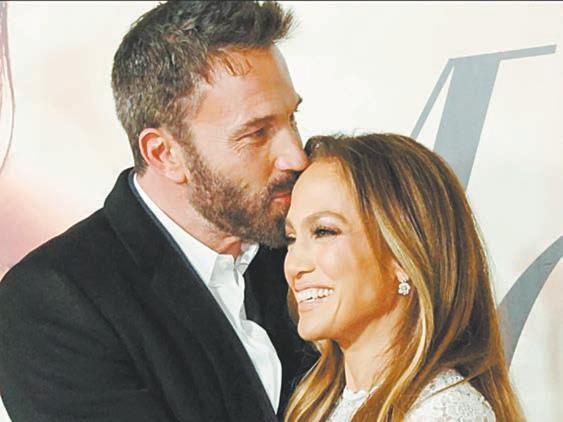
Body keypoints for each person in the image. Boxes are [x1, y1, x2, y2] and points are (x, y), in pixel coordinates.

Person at [0, 2, 314, 421]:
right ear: (164, 154)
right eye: (256, 133)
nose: (296, 156)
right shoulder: (50, 301)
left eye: (293, 118)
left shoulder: (307, 247)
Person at [283, 134, 524, 421]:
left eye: (324, 232)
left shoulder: (442, 412)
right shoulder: (316, 406)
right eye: (291, 238)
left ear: (404, 255)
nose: (294, 264)